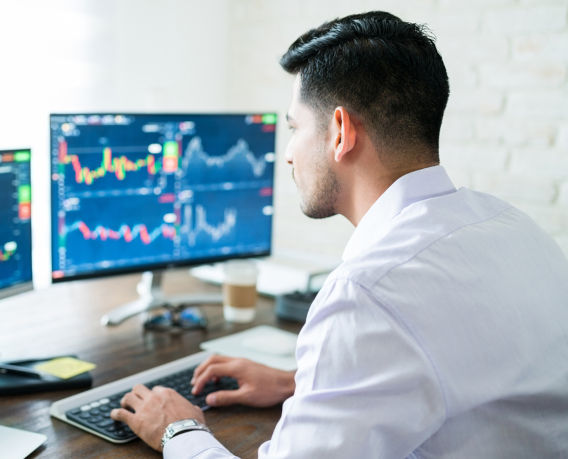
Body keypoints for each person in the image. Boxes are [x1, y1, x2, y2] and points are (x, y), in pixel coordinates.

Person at [110, 11, 568, 458]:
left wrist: (179, 431)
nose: (289, 154)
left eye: (295, 128)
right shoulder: (513, 226)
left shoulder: (367, 293)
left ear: (341, 133)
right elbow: (461, 374)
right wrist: (300, 385)